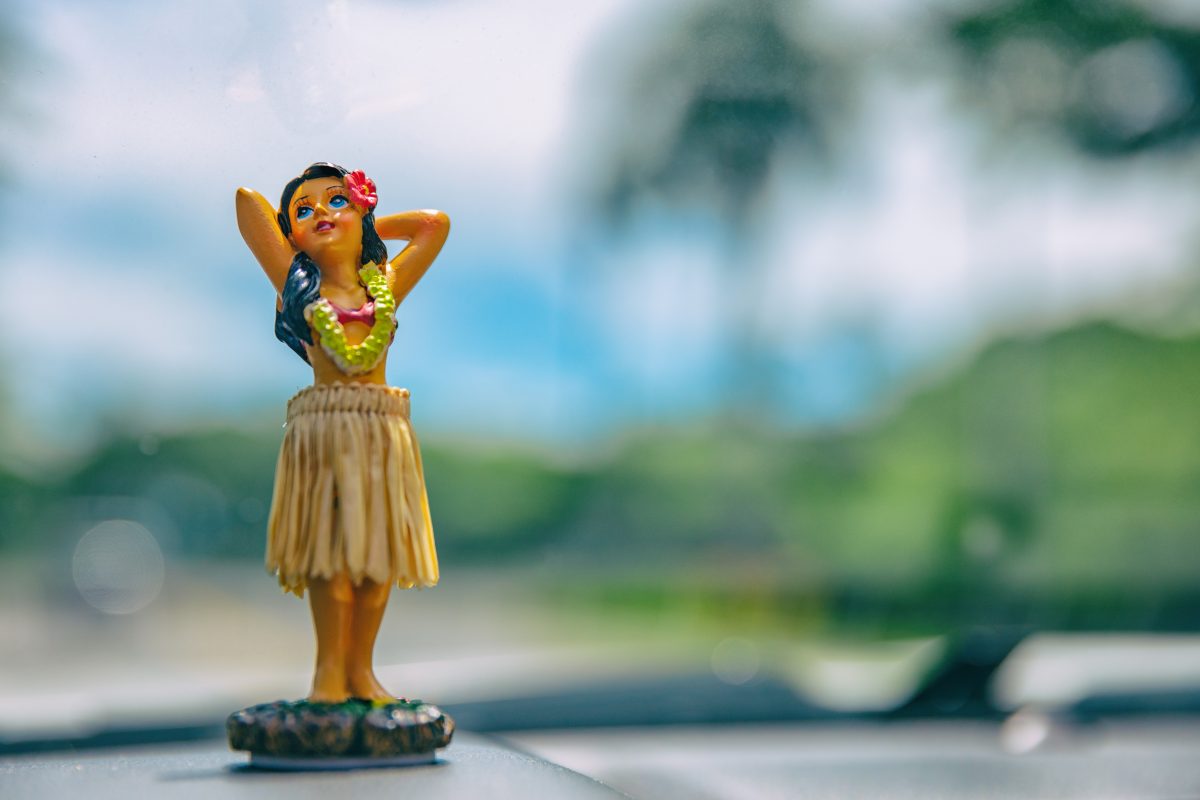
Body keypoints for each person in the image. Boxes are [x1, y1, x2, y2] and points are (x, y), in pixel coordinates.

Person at [235, 162, 449, 702]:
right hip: (326, 426)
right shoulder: (297, 283)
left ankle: (362, 671)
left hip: (381, 428)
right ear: (291, 233)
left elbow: (434, 225)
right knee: (333, 559)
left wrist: (366, 214)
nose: (322, 213)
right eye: (305, 210)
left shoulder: (385, 286)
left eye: (336, 201)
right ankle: (329, 673)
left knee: (376, 560)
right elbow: (247, 204)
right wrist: (303, 226)